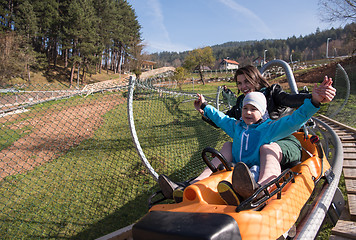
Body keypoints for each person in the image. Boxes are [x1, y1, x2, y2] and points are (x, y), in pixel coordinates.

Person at [191, 77, 334, 205]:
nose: (248, 112)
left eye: (253, 109)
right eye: (245, 108)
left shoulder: (268, 128)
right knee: (227, 146)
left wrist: (314, 101)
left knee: (255, 169)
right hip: (237, 165)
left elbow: (293, 120)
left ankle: (260, 190)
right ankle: (197, 182)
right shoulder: (237, 127)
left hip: (256, 169)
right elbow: (220, 119)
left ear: (262, 112)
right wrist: (204, 106)